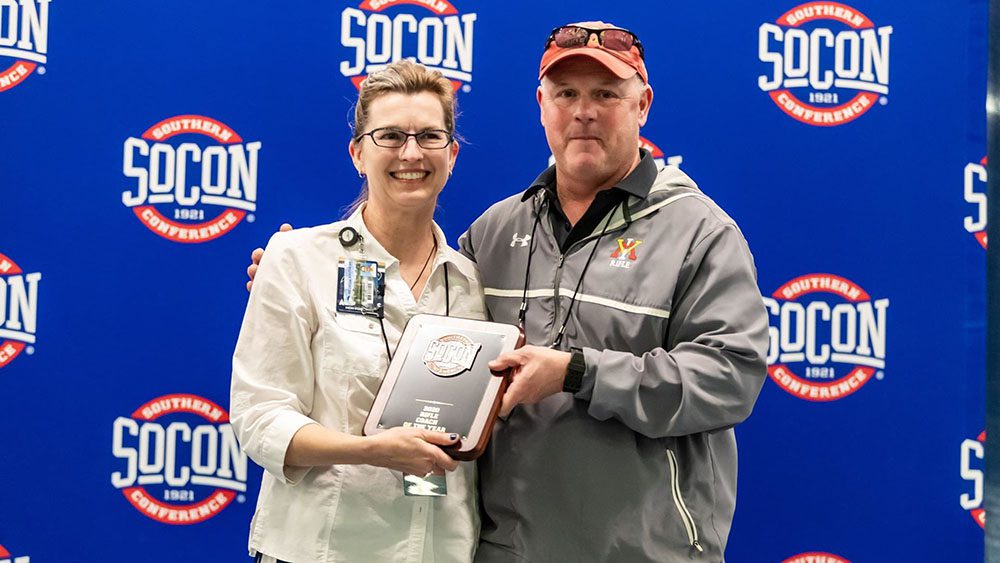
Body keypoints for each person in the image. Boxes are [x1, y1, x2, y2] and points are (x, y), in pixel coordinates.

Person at [249, 22, 768, 562]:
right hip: (503, 548)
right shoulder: (494, 234)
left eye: (606, 94)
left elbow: (730, 379)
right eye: (566, 93)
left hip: (639, 549)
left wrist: (577, 372)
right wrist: (300, 270)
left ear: (643, 105)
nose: (583, 111)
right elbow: (407, 311)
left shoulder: (700, 233)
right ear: (542, 105)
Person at [231, 60, 487, 563]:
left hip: (442, 550)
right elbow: (259, 418)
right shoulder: (297, 260)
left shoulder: (476, 284)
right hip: (319, 550)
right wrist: (372, 450)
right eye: (390, 135)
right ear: (357, 153)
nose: (411, 153)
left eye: (430, 137)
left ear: (452, 155)